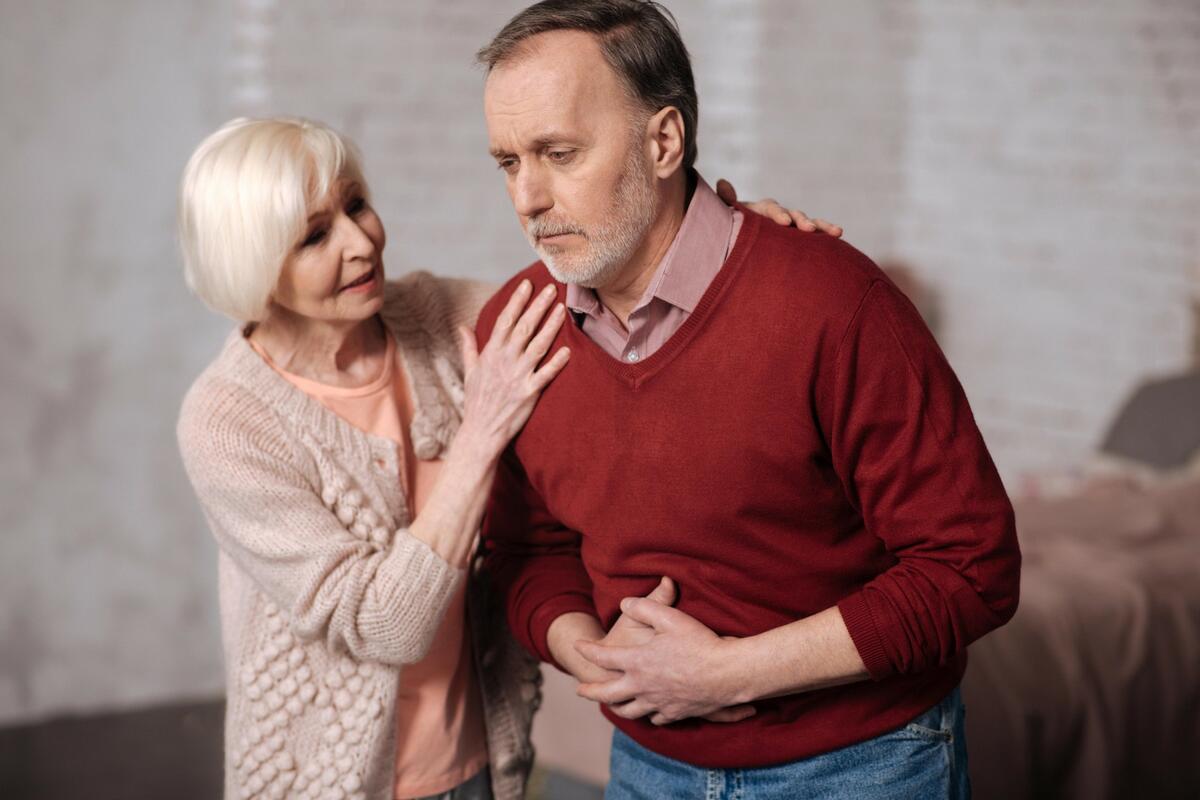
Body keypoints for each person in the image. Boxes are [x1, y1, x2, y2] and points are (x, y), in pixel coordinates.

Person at [175, 116, 833, 800]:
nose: (360, 242)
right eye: (315, 236)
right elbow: (383, 624)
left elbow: (604, 293)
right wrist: (482, 429)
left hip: (479, 762)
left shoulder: (435, 316)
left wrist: (722, 244)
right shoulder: (227, 422)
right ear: (249, 263)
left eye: (356, 205)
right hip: (326, 785)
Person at [473, 3, 1022, 799]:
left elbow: (971, 568)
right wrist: (593, 652)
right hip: (646, 764)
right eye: (507, 162)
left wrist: (727, 673)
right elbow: (528, 552)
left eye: (559, 154)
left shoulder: (832, 302)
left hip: (863, 763)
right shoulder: (516, 326)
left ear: (664, 142)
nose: (527, 196)